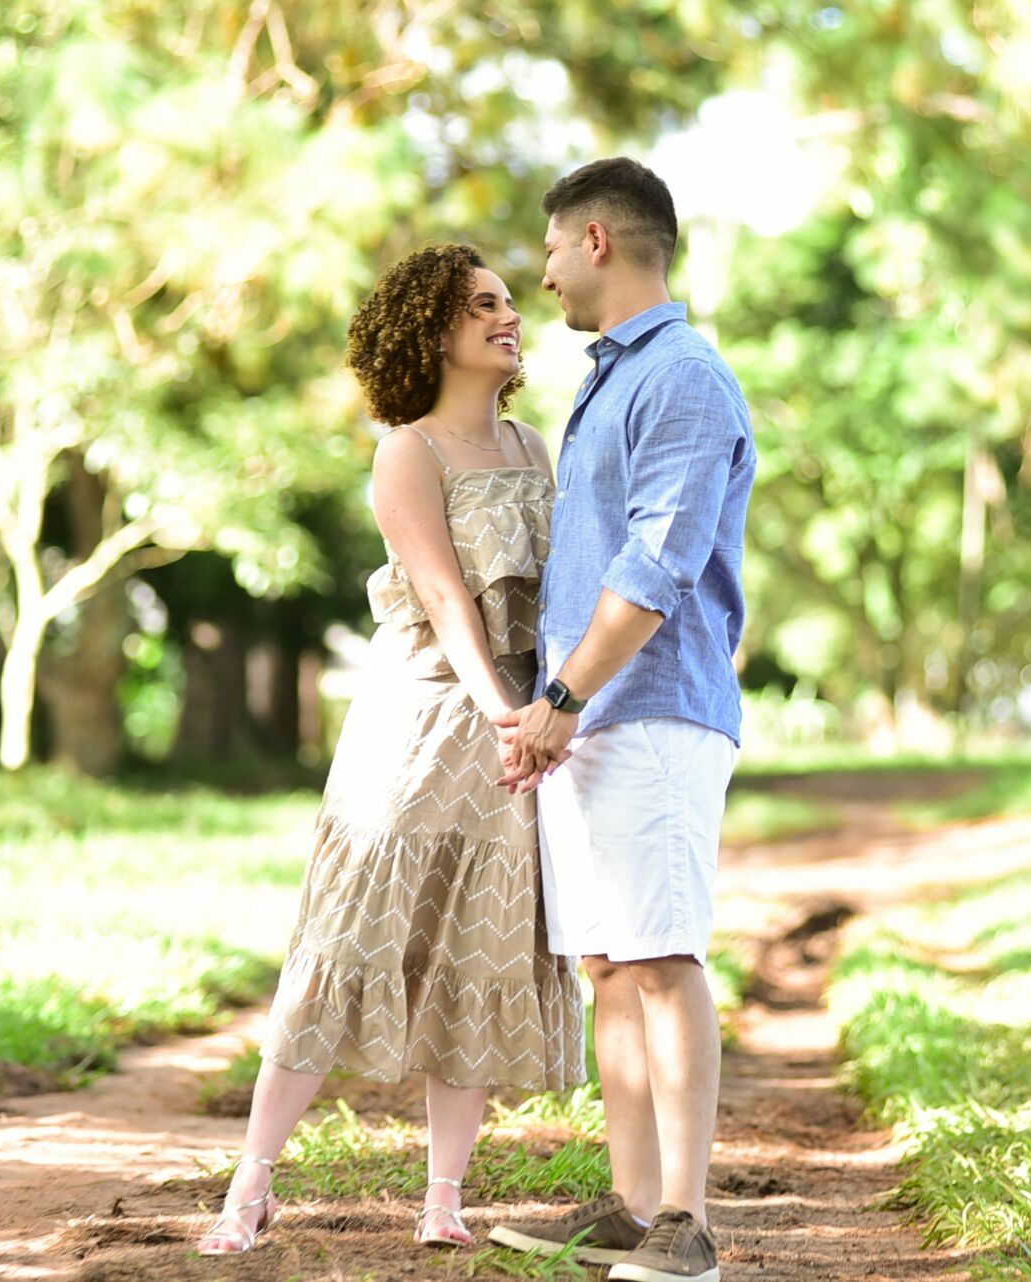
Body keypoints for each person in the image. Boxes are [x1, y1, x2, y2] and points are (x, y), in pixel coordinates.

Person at [195, 243, 584, 1255]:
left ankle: (444, 1200)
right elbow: (448, 596)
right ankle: (251, 1185)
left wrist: (545, 710)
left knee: (475, 951)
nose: (511, 317)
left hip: (511, 734)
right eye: (485, 306)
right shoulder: (409, 451)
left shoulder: (535, 448)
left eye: (509, 301)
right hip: (421, 729)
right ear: (435, 331)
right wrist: (507, 707)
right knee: (347, 943)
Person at [486, 158, 755, 1282]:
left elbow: (657, 565)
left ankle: (687, 1221)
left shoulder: (683, 375)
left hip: (646, 709)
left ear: (595, 239)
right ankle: (636, 1203)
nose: (540, 277)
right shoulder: (608, 378)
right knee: (608, 962)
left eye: (548, 251)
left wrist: (560, 697)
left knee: (662, 959)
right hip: (592, 720)